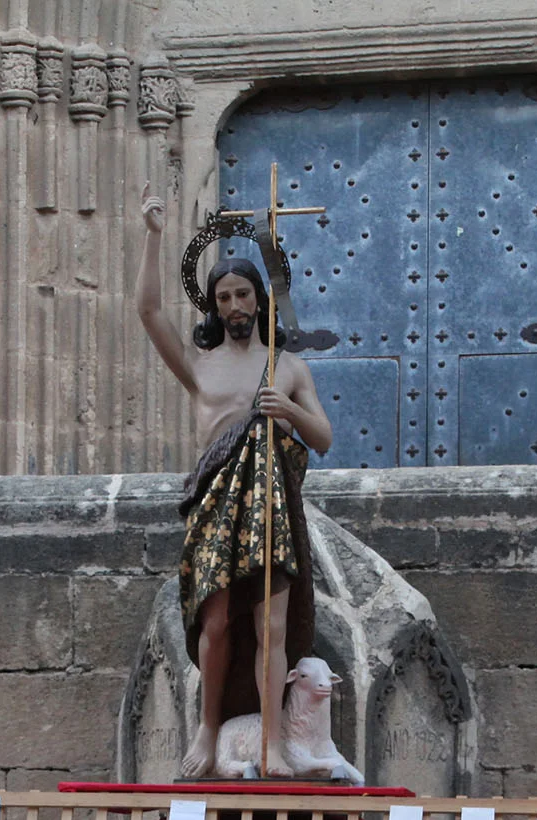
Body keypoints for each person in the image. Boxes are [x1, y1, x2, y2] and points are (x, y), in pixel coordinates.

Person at [136, 182, 335, 778]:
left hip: (271, 505)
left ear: (260, 298)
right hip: (218, 503)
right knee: (217, 619)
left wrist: (288, 410)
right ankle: (208, 726)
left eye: (243, 293)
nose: (234, 305)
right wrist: (152, 236)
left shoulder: (288, 366)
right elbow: (148, 311)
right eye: (223, 297)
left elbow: (322, 438)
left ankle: (274, 741)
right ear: (213, 305)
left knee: (269, 623)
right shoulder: (200, 366)